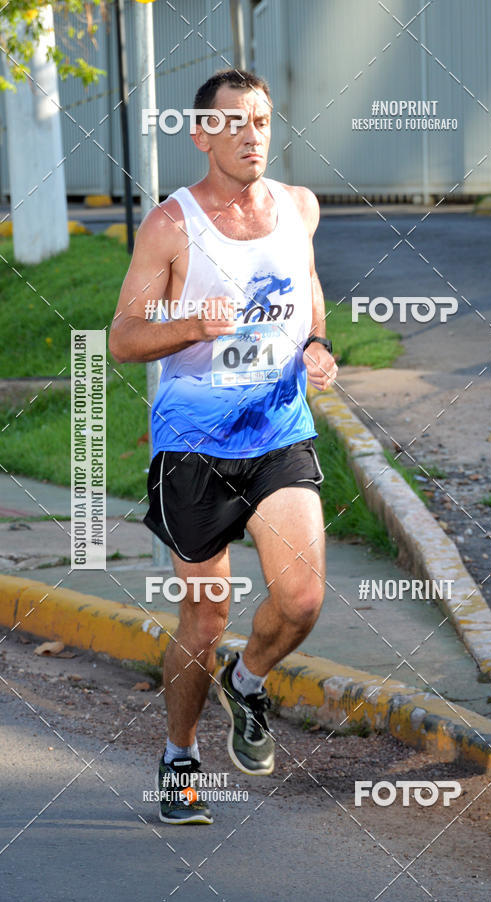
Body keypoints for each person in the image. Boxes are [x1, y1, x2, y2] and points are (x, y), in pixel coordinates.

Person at [109, 68, 337, 825]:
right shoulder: (172, 226)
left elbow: (309, 293)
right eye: (234, 122)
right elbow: (124, 340)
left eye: (262, 121)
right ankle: (180, 758)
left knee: (301, 598)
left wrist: (318, 347)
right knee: (205, 616)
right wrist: (192, 326)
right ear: (202, 134)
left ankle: (249, 681)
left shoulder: (298, 209)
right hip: (194, 446)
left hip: (277, 431)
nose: (251, 135)